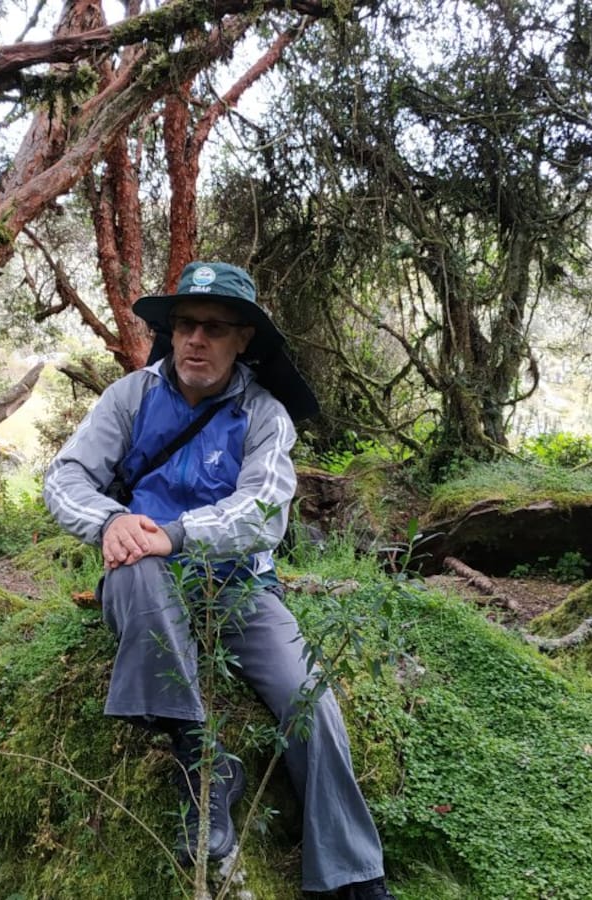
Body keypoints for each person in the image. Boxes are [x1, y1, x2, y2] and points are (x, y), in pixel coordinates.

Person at [43, 262, 395, 899]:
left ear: (243, 341)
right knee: (137, 567)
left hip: (240, 586)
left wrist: (176, 534)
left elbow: (263, 509)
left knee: (307, 696)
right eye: (183, 325)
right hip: (144, 576)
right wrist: (112, 522)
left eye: (213, 327)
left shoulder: (265, 415)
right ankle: (200, 762)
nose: (193, 340)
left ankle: (350, 875)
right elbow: (65, 477)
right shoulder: (130, 398)